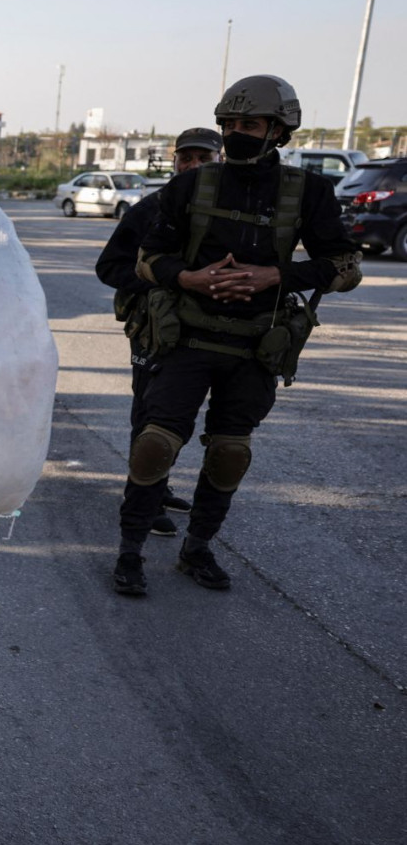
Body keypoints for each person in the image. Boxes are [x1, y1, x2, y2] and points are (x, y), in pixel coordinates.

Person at [113, 75, 362, 596]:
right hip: (188, 340)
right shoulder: (189, 185)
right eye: (229, 124)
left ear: (279, 129)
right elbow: (146, 260)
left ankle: (197, 548)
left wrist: (278, 276)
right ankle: (130, 551)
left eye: (248, 124)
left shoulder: (309, 192)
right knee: (154, 446)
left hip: (254, 346)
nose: (235, 133)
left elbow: (342, 265)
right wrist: (189, 278)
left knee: (229, 453)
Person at [95, 127, 223, 544]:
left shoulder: (228, 213)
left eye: (203, 158)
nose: (193, 166)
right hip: (155, 333)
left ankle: (159, 487)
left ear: (220, 160)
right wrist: (170, 285)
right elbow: (109, 267)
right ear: (174, 162)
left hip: (206, 336)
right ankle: (143, 504)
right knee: (149, 417)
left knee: (178, 419)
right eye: (186, 158)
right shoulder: (152, 208)